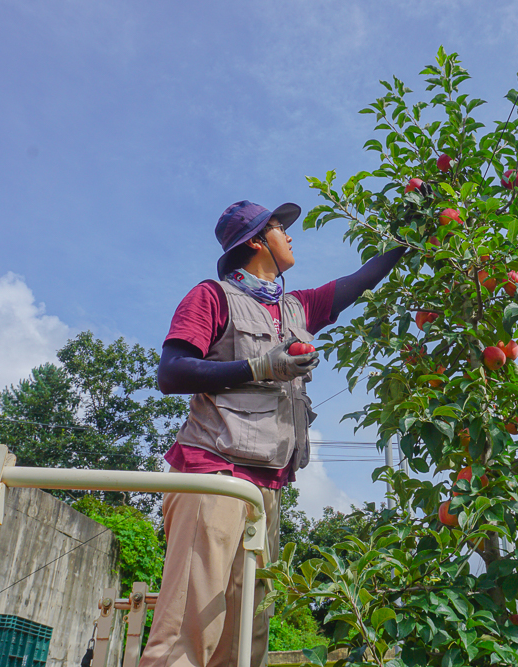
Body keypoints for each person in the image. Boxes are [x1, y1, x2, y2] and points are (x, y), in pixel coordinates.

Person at [139, 199, 407, 667]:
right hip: (214, 475)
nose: (291, 236)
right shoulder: (213, 296)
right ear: (258, 240)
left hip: (267, 489)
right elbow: (172, 373)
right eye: (283, 229)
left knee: (245, 643)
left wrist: (406, 232)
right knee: (188, 633)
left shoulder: (296, 307)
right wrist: (259, 366)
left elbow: (362, 279)